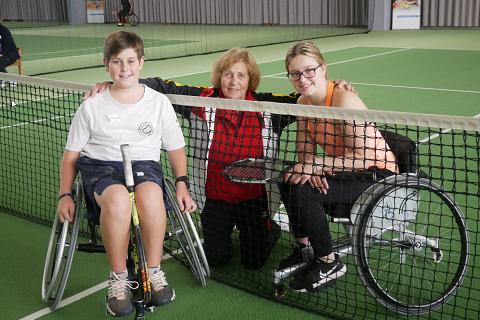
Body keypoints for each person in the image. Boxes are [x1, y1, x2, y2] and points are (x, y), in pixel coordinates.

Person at [84, 47, 356, 271]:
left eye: (241, 75)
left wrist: (336, 86)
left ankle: (269, 229)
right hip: (214, 200)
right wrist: (118, 81)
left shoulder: (268, 107)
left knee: (254, 262)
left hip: (255, 200)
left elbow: (309, 96)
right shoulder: (200, 101)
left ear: (251, 79)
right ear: (219, 77)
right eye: (228, 74)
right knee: (216, 260)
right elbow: (160, 86)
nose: (234, 81)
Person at [58, 31, 196, 317]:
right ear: (106, 64)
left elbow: (175, 148)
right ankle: (119, 280)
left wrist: (181, 184)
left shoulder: (158, 103)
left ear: (141, 62)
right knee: (119, 199)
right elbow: (71, 157)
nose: (125, 68)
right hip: (101, 169)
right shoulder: (91, 105)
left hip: (145, 166)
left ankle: (153, 274)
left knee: (150, 195)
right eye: (117, 62)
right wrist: (63, 195)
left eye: (131, 61)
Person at [279, 41, 399, 293]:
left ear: (323, 68)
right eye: (295, 73)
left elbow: (365, 158)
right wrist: (309, 169)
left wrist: (318, 164)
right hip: (346, 168)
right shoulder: (304, 104)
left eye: (309, 70)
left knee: (303, 189)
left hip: (378, 174)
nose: (302, 79)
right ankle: (306, 249)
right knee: (291, 177)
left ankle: (328, 262)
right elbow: (304, 153)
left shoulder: (344, 101)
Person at [0, 14, 21, 87]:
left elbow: (7, 44)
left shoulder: (3, 30)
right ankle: (3, 79)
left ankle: (10, 79)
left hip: (10, 55)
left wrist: (2, 53)